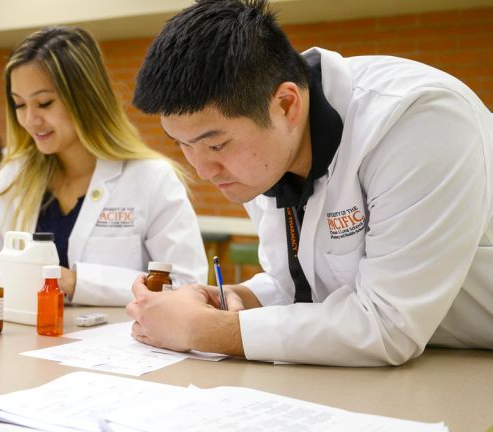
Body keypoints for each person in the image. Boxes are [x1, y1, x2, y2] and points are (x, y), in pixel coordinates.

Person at [127, 0, 493, 366]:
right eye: (182, 145)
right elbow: (304, 288)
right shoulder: (266, 151)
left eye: (216, 144)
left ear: (286, 105)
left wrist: (204, 330)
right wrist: (230, 299)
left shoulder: (417, 120)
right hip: (418, 363)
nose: (204, 170)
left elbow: (388, 324)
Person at [0, 26, 208, 306]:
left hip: (114, 349)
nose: (30, 120)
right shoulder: (15, 173)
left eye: (44, 103)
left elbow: (185, 284)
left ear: (86, 99)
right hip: (22, 343)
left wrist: (77, 282)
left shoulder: (150, 178)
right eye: (19, 105)